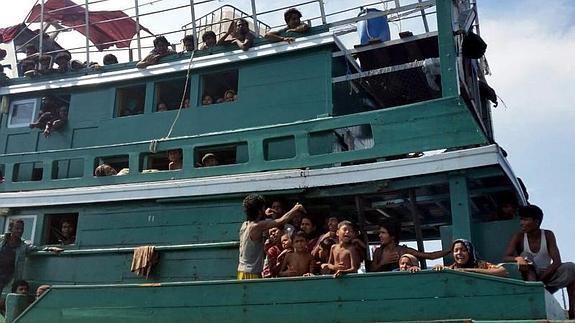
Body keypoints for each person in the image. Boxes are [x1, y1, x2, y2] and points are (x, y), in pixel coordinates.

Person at [503, 205, 575, 319]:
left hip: (547, 275)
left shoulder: (548, 234)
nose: (521, 223)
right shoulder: (519, 236)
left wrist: (541, 280)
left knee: (571, 267)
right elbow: (506, 257)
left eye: (525, 219)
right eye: (521, 219)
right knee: (525, 256)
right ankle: (534, 291)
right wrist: (518, 259)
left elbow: (557, 262)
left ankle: (572, 311)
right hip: (529, 274)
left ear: (536, 222)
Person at [237, 194, 305, 279]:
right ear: (259, 211)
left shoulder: (245, 224)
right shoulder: (256, 226)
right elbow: (281, 221)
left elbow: (258, 219)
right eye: (263, 208)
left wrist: (264, 214)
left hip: (242, 271)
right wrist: (296, 208)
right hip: (251, 273)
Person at [0, 220, 61, 296]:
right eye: (17, 228)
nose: (20, 231)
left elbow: (37, 248)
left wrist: (50, 248)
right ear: (10, 229)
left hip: (9, 278)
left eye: (22, 229)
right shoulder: (1, 240)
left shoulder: (24, 245)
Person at [370, 223, 449, 272]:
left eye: (383, 233)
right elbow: (372, 270)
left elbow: (430, 256)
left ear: (392, 236)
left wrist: (450, 250)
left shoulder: (403, 251)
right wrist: (383, 262)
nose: (380, 235)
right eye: (380, 233)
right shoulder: (378, 251)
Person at [434, 239, 507, 277]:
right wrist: (439, 267)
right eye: (456, 250)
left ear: (470, 252)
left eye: (464, 250)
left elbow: (502, 271)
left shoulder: (481, 264)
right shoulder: (452, 268)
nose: (459, 253)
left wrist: (467, 270)